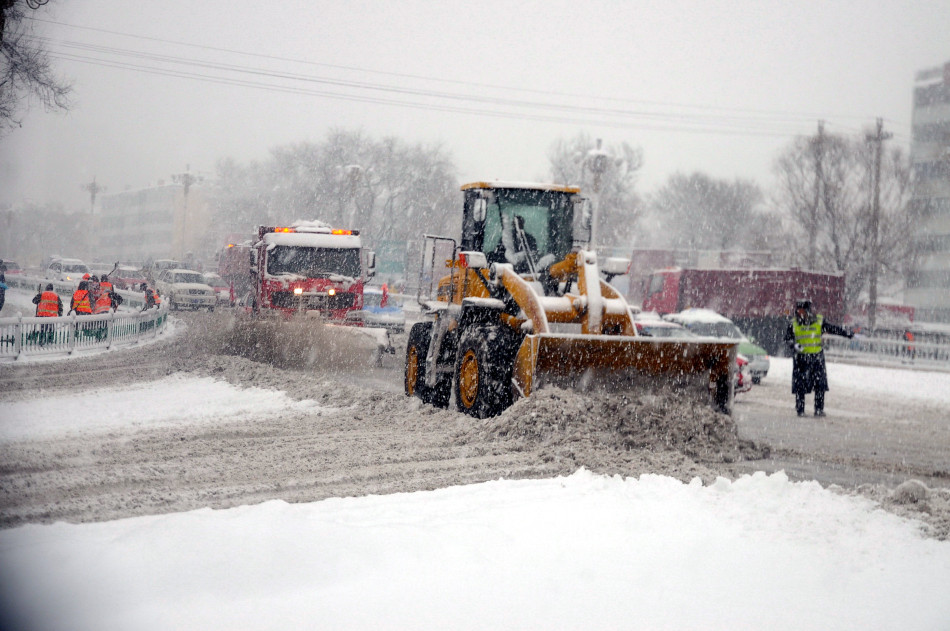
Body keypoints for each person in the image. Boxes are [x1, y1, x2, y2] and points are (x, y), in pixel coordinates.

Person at [784, 299, 853, 417]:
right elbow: (787, 338)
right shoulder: (793, 323)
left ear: (807, 310)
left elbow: (833, 329)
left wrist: (846, 333)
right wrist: (794, 345)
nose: (800, 313)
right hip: (801, 358)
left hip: (817, 358)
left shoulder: (818, 321)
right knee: (800, 386)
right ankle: (800, 410)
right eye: (798, 310)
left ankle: (819, 409)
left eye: (802, 310)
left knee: (820, 385)